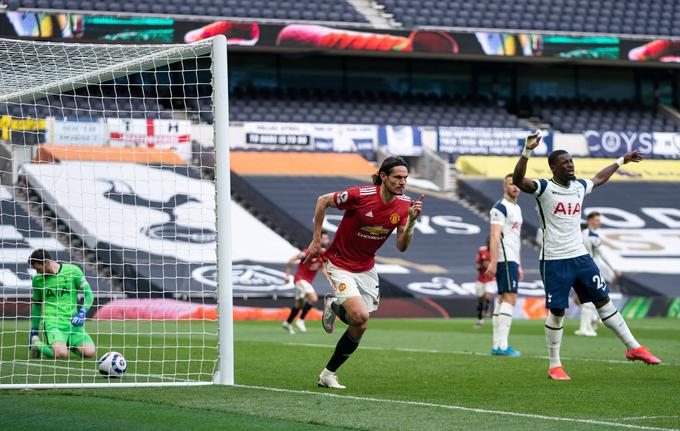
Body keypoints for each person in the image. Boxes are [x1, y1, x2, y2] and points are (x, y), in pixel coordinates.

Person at [513, 133, 661, 380]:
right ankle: (554, 365)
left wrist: (621, 160)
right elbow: (518, 180)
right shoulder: (544, 188)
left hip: (581, 257)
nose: (571, 165)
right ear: (553, 167)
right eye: (565, 162)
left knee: (604, 301)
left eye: (571, 161)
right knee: (558, 311)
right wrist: (527, 151)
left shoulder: (579, 187)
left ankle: (634, 348)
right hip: (554, 260)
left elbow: (599, 178)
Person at [305, 156, 423, 389]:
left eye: (405, 178)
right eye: (398, 177)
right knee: (360, 316)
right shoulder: (361, 195)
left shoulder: (404, 204)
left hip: (366, 267)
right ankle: (334, 305)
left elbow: (401, 246)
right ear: (383, 176)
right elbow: (322, 201)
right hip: (339, 262)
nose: (402, 182)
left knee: (360, 324)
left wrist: (410, 222)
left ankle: (327, 374)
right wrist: (316, 240)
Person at [28, 249, 96, 360]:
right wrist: (34, 329)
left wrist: (82, 312)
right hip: (52, 323)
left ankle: (64, 344)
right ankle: (36, 344)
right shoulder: (37, 280)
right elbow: (37, 304)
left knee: (90, 352)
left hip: (72, 323)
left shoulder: (73, 271)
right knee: (61, 354)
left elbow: (89, 294)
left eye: (39, 269)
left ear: (47, 262)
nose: (37, 273)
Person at [485, 174, 524, 357]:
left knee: (503, 300)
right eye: (511, 184)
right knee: (510, 298)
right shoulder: (500, 208)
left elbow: (516, 238)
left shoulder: (517, 208)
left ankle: (497, 346)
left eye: (517, 184)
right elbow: (494, 235)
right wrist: (493, 261)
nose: (515, 187)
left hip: (512, 259)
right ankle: (503, 346)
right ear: (504, 186)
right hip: (504, 258)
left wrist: (519, 265)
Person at [281, 230, 330, 334]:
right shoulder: (308, 252)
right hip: (300, 279)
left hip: (306, 282)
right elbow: (291, 260)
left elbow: (323, 269)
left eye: (327, 238)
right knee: (314, 298)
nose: (327, 240)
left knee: (299, 304)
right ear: (319, 239)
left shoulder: (323, 254)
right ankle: (301, 320)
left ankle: (287, 323)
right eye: (325, 238)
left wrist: (331, 280)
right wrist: (286, 275)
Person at [474, 236, 496, 329]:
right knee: (480, 300)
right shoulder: (481, 250)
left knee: (487, 296)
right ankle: (480, 320)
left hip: (491, 279)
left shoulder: (496, 252)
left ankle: (486, 310)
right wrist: (482, 266)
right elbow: (477, 263)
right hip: (481, 279)